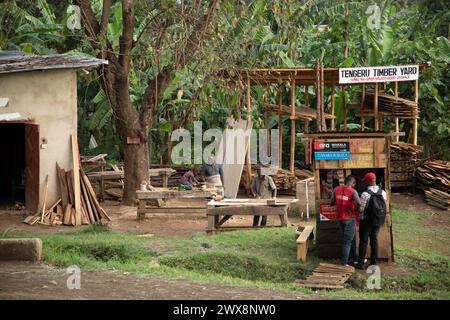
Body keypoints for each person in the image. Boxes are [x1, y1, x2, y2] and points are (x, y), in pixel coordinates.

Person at [355, 172, 387, 269]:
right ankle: (374, 262)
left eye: (365, 181)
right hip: (378, 220)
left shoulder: (365, 194)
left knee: (363, 241)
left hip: (366, 221)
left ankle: (360, 263)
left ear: (368, 181)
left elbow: (361, 209)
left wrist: (359, 219)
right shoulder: (383, 192)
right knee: (374, 240)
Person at [331, 175, 361, 266]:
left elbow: (331, 202)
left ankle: (355, 258)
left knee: (348, 239)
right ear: (353, 183)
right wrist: (354, 210)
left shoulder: (336, 189)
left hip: (339, 218)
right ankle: (344, 263)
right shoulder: (353, 191)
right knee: (347, 241)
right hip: (349, 219)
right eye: (354, 183)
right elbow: (359, 203)